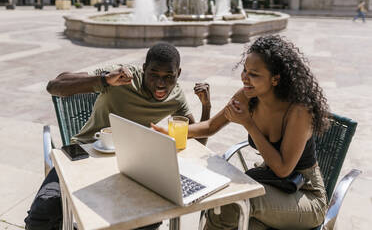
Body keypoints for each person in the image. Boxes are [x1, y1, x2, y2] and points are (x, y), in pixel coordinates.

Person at [24, 43, 211, 230]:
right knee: (43, 211)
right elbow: (54, 86)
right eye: (154, 74)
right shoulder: (122, 76)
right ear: (144, 69)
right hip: (83, 153)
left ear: (178, 73)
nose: (161, 84)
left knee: (148, 218)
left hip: (130, 164)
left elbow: (196, 143)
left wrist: (206, 107)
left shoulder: (176, 96)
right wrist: (105, 80)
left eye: (168, 76)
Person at [153, 35, 330, 229]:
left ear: (275, 79)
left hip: (305, 194)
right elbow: (211, 126)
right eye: (245, 70)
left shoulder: (298, 111)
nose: (245, 77)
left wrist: (248, 124)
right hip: (272, 183)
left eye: (254, 74)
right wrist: (169, 132)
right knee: (222, 201)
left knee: (235, 203)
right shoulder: (247, 95)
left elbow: (283, 169)